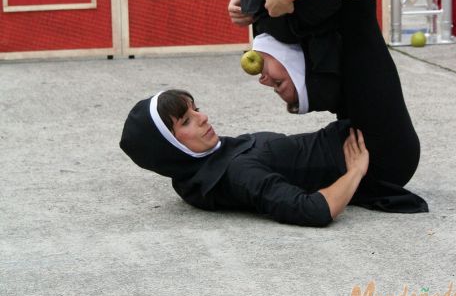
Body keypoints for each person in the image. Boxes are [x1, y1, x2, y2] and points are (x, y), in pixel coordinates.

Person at [120, 88, 428, 227]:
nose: (202, 117)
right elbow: (314, 210)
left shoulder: (196, 169)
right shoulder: (238, 172)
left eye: (194, 108)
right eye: (186, 121)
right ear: (169, 150)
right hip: (380, 152)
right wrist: (356, 172)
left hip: (349, 134)